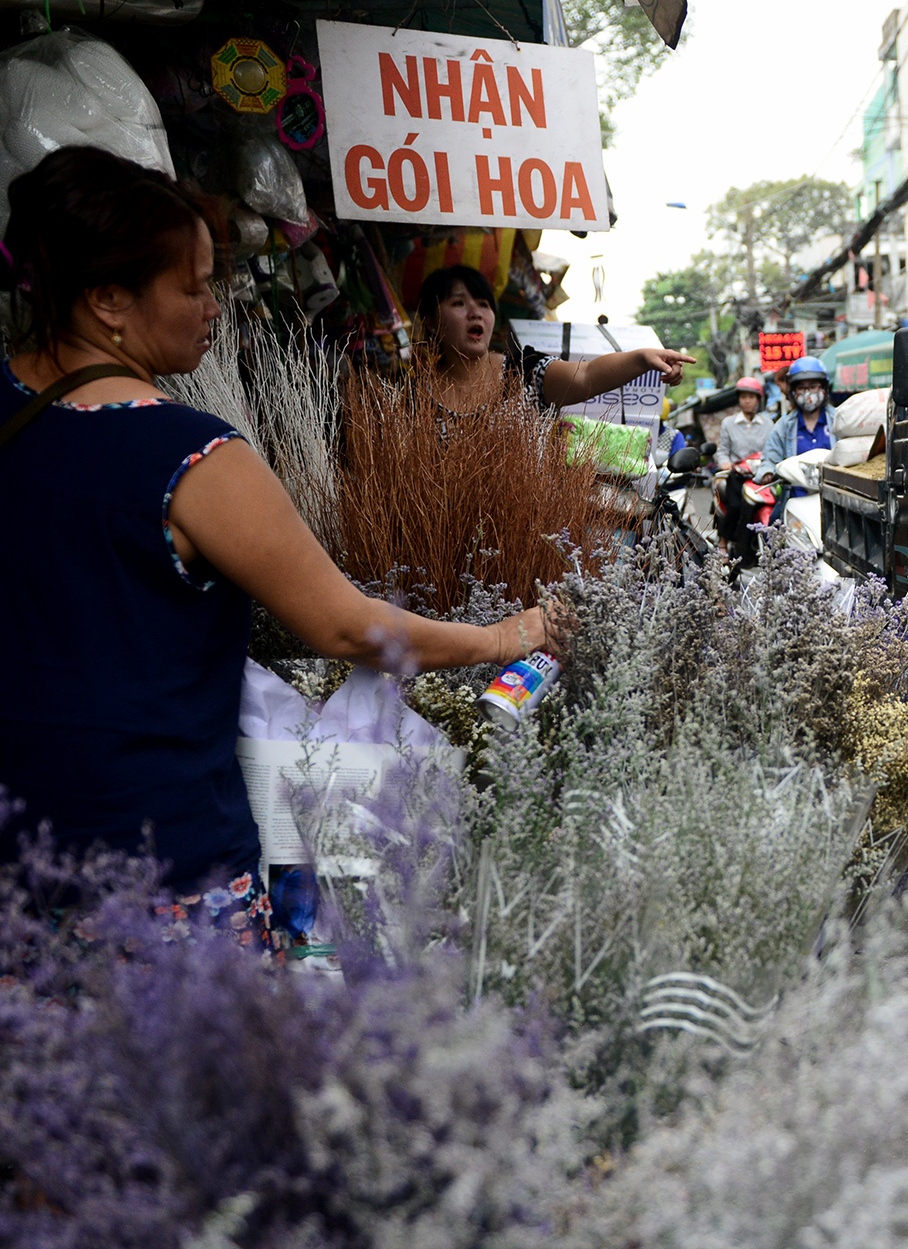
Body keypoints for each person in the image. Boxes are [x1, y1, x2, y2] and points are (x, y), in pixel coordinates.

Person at [0, 147, 563, 916]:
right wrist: (508, 635)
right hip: (156, 869)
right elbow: (348, 628)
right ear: (107, 299)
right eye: (193, 287)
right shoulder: (194, 457)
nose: (214, 307)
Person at [415, 265, 695, 415]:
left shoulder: (522, 372)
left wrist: (641, 358)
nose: (475, 313)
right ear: (429, 319)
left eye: (484, 304)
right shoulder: (412, 397)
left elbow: (585, 375)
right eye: (459, 303)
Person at [758, 355, 834, 498]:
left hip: (835, 501)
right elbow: (770, 458)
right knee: (772, 520)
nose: (808, 393)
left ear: (824, 388)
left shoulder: (839, 420)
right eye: (802, 388)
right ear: (793, 391)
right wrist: (767, 472)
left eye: (813, 387)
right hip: (795, 500)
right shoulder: (784, 425)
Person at [716, 376, 773, 469]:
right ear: (738, 399)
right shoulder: (728, 423)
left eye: (751, 397)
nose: (747, 401)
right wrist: (725, 463)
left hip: (761, 472)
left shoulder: (768, 424)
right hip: (737, 473)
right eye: (743, 397)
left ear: (758, 400)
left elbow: (772, 450)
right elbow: (723, 451)